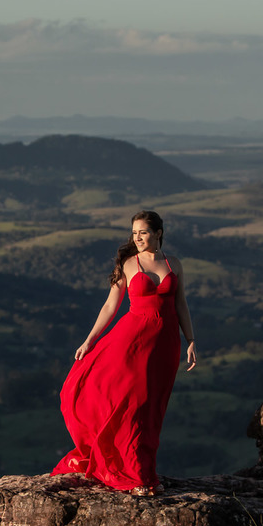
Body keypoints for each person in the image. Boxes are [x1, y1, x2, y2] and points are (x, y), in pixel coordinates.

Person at [52, 210, 197, 495]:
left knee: (152, 409)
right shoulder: (129, 264)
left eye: (143, 232)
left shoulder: (174, 264)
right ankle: (135, 475)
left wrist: (190, 339)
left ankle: (143, 470)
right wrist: (90, 340)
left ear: (158, 232)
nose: (138, 238)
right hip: (132, 342)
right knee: (132, 406)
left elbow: (181, 304)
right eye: (134, 233)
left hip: (165, 345)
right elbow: (110, 305)